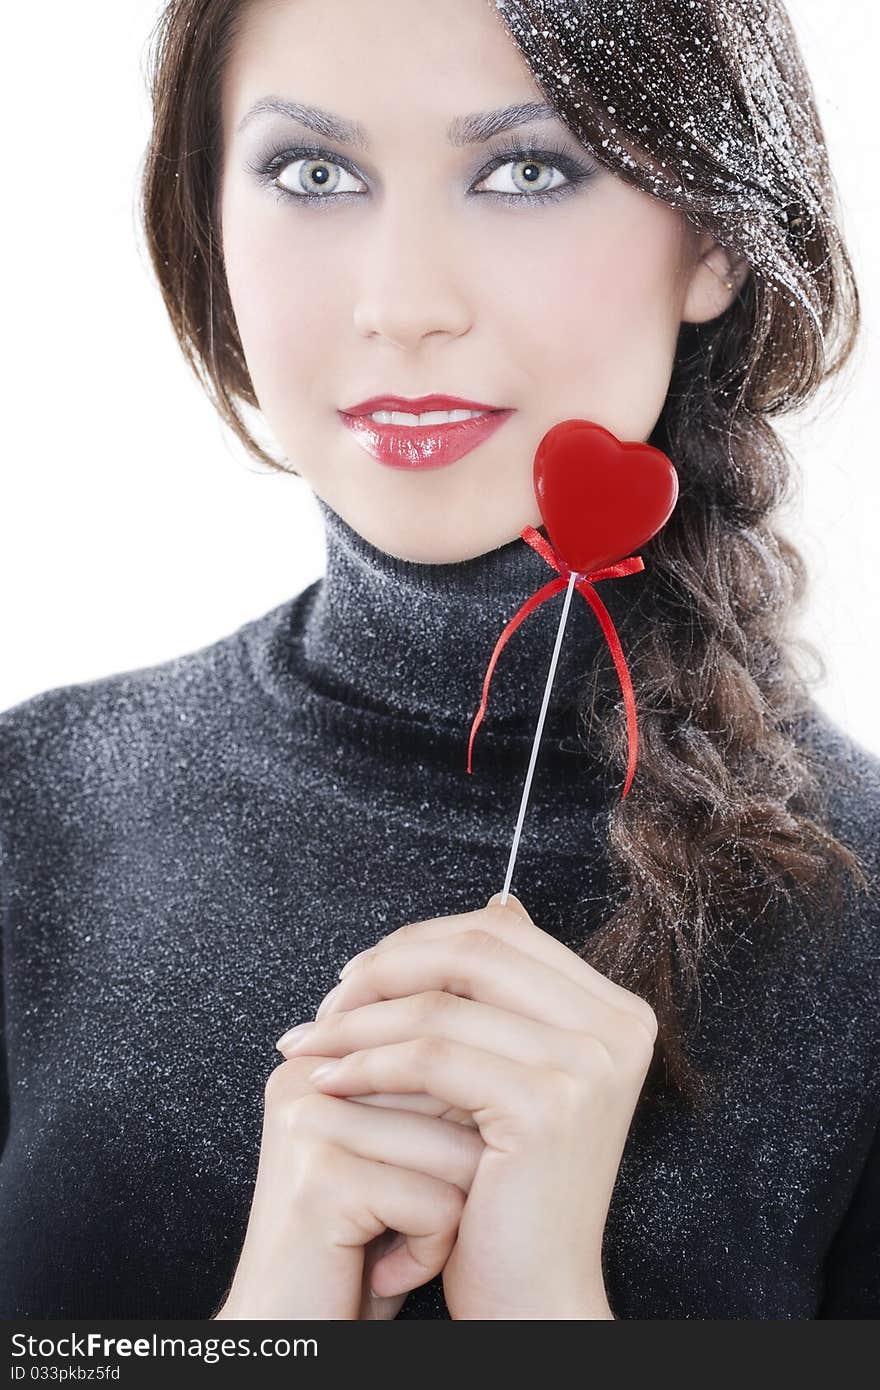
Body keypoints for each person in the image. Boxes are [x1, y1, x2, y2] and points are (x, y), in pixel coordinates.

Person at [1, 0, 877, 1320]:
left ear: (715, 236)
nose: (402, 305)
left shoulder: (860, 916)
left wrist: (540, 1309)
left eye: (525, 170)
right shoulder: (35, 811)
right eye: (313, 172)